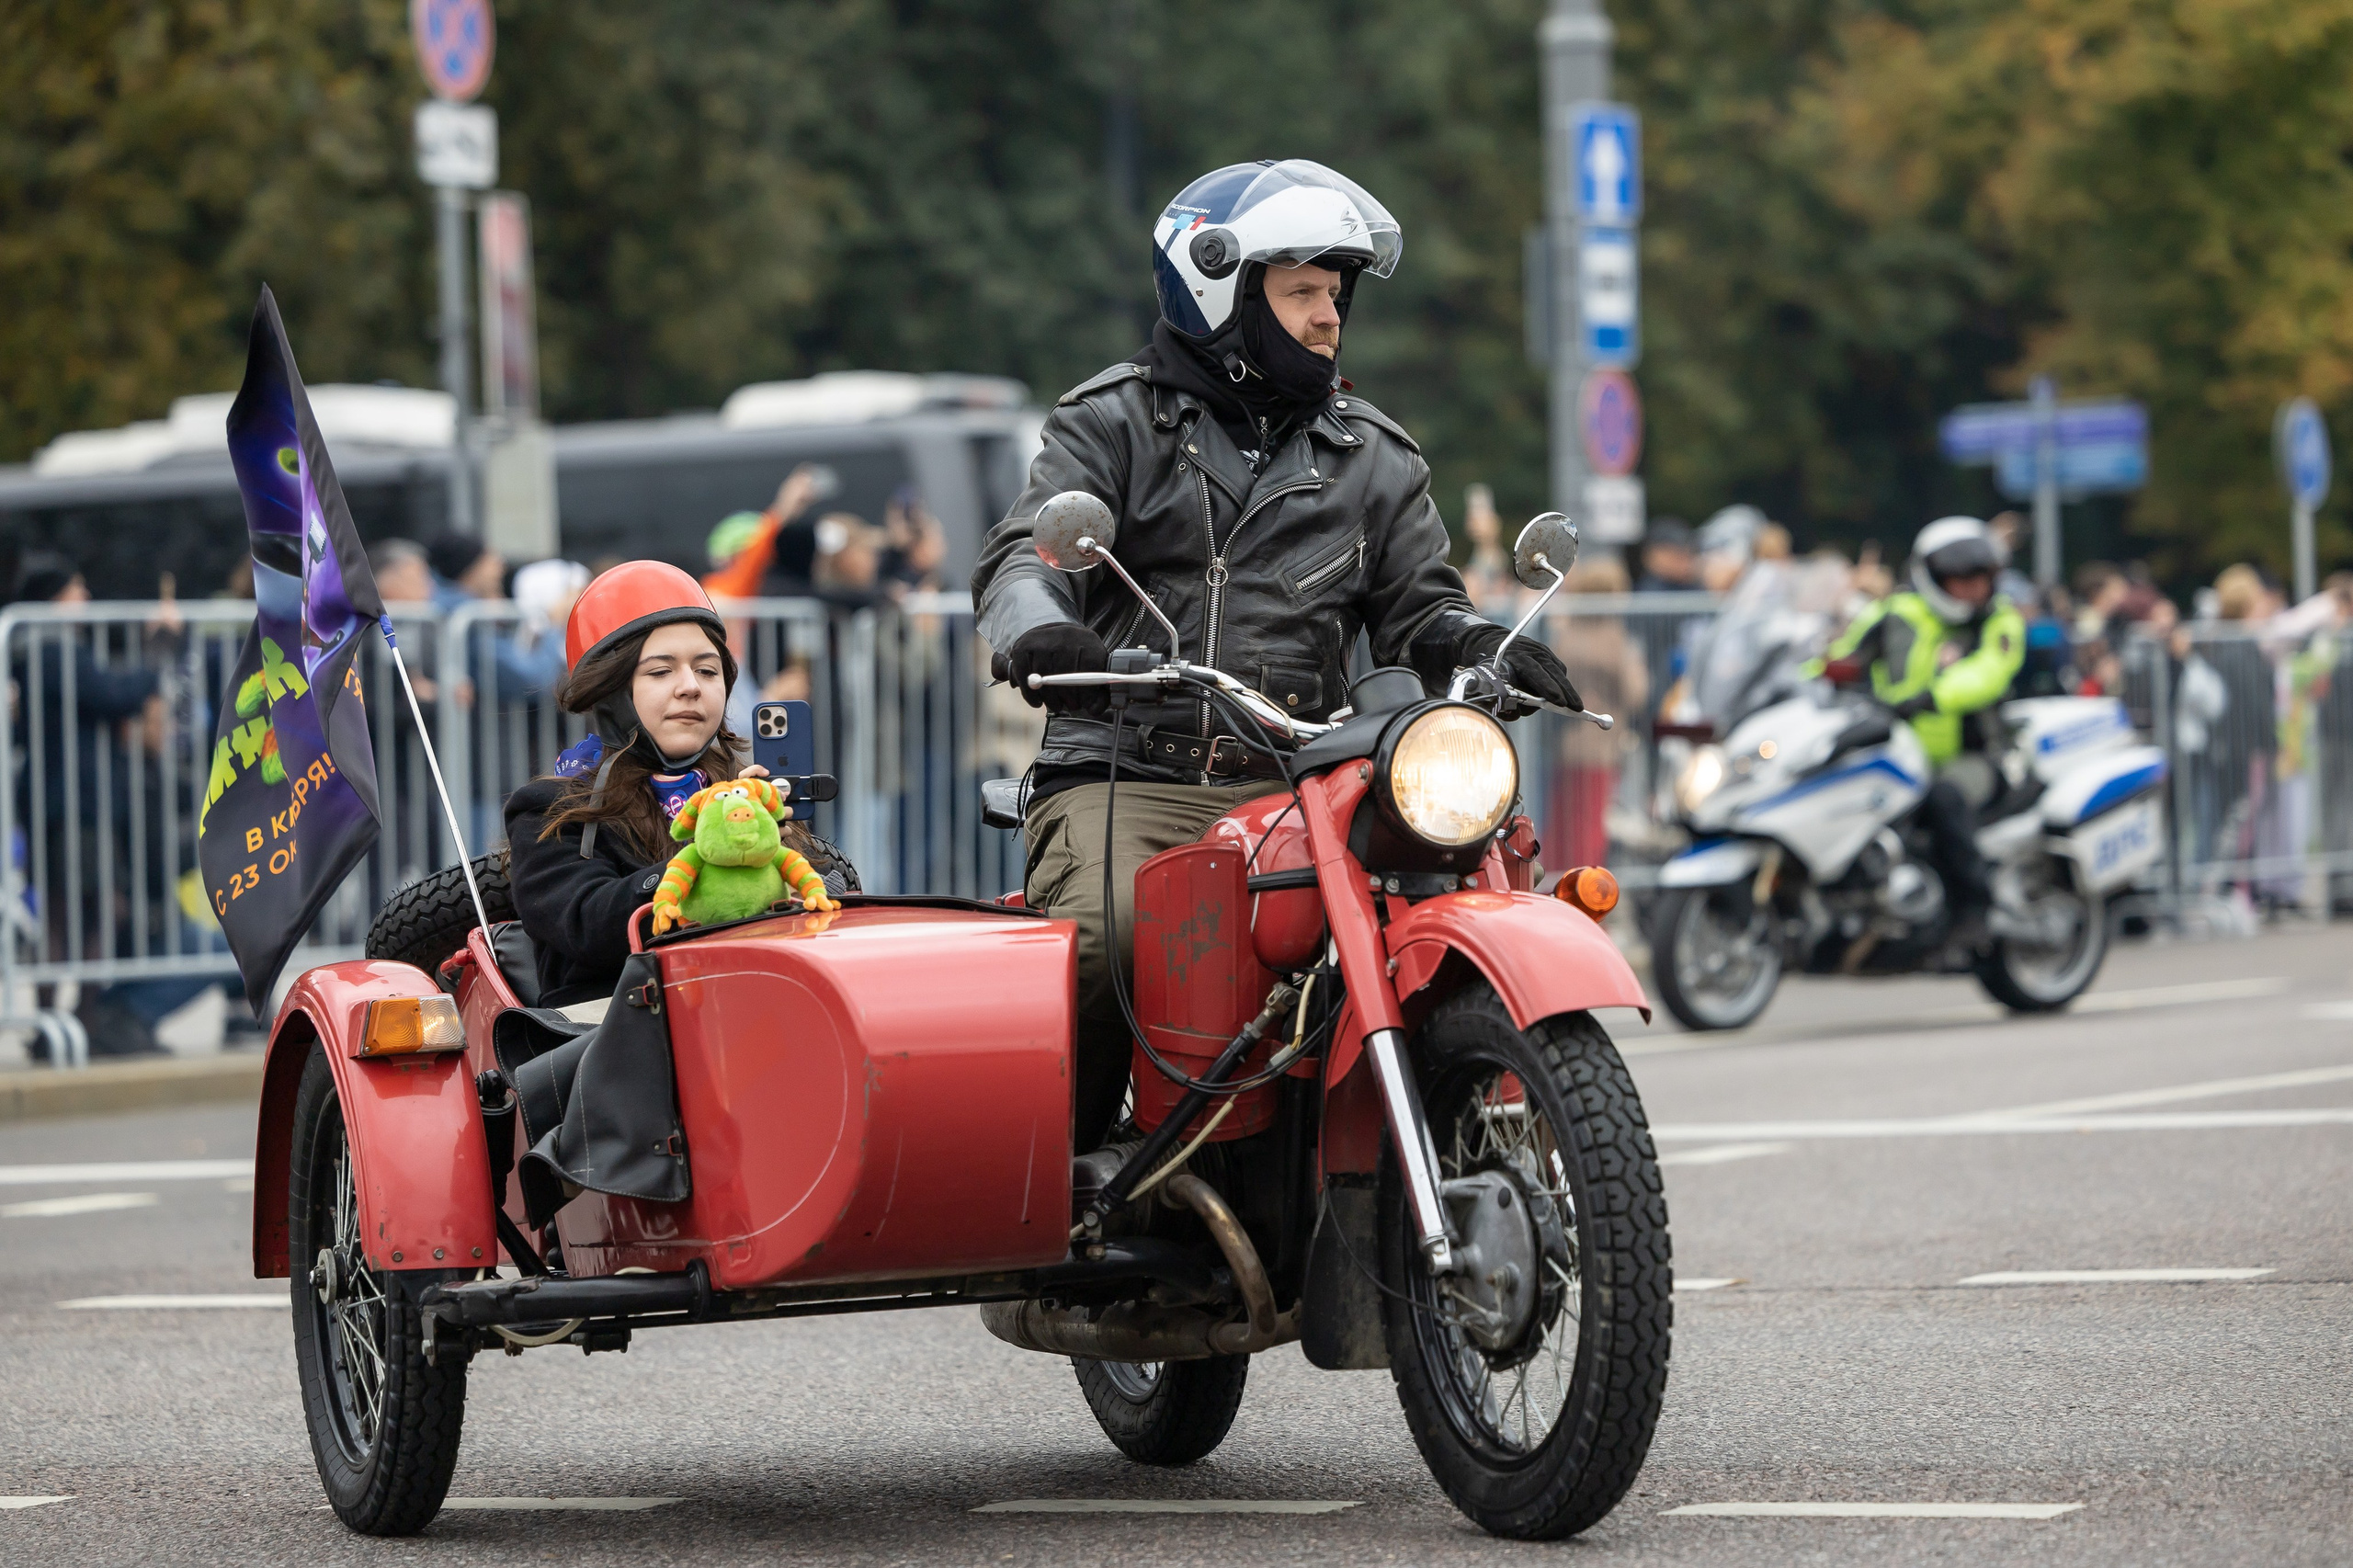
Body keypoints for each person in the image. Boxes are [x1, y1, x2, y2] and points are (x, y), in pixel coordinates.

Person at [971, 158, 1580, 1152]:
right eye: (1301, 293)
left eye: (1334, 295)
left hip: (1297, 786)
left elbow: (1420, 605)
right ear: (1224, 294)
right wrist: (1041, 629)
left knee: (1409, 921)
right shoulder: (1110, 421)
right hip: (1127, 773)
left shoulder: (1373, 455)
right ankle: (1070, 1178)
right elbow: (1021, 559)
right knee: (1103, 945)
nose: (1329, 316)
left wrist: (1475, 641)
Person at [505, 563, 855, 1011]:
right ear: (610, 692)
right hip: (619, 1030)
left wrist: (787, 862)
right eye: (660, 672)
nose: (690, 687)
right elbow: (587, 926)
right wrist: (706, 855)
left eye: (708, 671)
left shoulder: (745, 792)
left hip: (757, 1012)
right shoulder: (551, 807)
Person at [1815, 516, 2024, 942]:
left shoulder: (1998, 620)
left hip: (1974, 756)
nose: (1974, 589)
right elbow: (1839, 658)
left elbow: (1989, 672)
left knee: (1943, 797)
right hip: (1892, 752)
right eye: (1961, 579)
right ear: (1934, 576)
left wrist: (1933, 696)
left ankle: (1975, 907)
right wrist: (1802, 678)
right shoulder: (1893, 613)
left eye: (1981, 578)